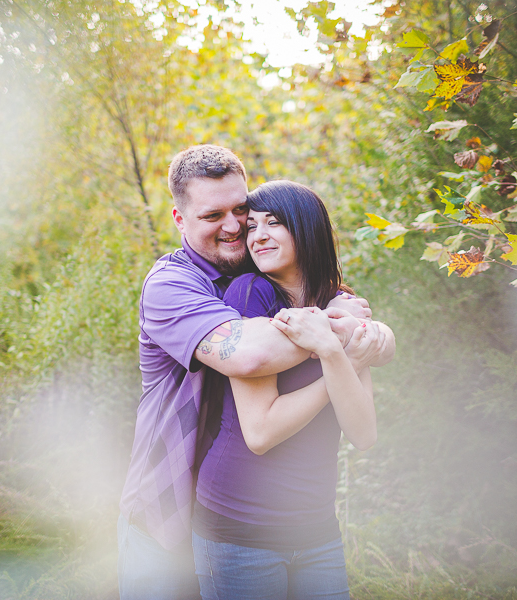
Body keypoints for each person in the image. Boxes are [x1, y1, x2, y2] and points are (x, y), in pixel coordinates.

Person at [118, 146, 395, 600]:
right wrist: (340, 334)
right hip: (169, 509)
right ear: (180, 219)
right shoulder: (172, 284)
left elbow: (364, 413)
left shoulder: (262, 268)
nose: (235, 227)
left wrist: (371, 333)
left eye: (240, 212)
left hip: (282, 513)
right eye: (213, 216)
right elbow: (249, 356)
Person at [192, 180, 387, 600]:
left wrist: (336, 354)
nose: (258, 235)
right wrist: (341, 360)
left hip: (316, 527)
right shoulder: (251, 293)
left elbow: (364, 433)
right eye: (252, 226)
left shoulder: (339, 301)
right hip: (241, 528)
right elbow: (260, 433)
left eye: (274, 223)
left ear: (307, 227)